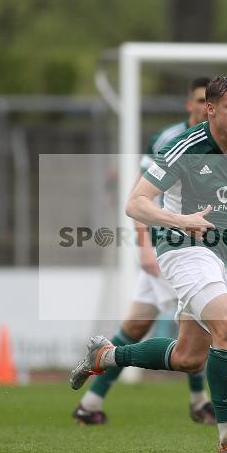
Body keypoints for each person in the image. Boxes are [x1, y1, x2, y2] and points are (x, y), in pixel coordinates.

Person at [69, 75, 227, 453]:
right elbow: (135, 204)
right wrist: (183, 221)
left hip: (221, 257)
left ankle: (106, 357)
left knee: (188, 357)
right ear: (209, 109)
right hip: (183, 249)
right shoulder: (184, 147)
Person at [73, 77, 217, 425]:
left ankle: (90, 404)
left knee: (136, 327)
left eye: (209, 101)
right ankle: (200, 403)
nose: (204, 107)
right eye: (199, 100)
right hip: (170, 251)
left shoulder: (219, 144)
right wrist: (144, 247)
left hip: (191, 247)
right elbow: (141, 196)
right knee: (198, 327)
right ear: (190, 104)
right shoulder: (169, 140)